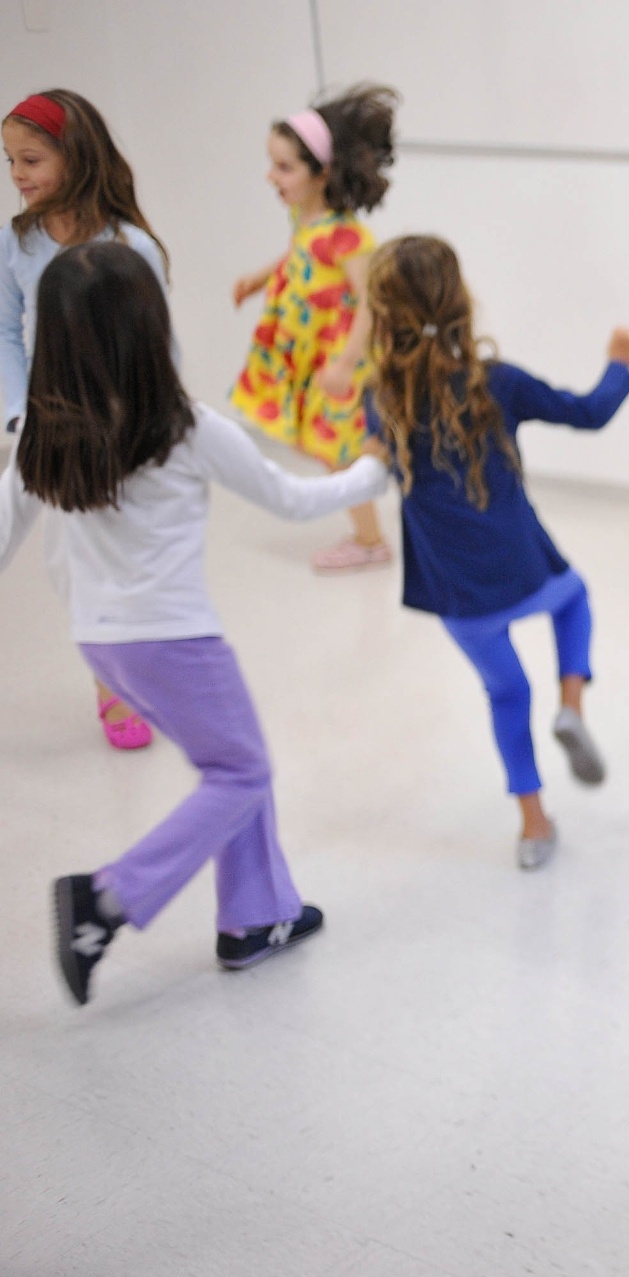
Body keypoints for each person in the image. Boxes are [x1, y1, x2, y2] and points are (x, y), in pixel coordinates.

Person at [0, 242, 390, 1005]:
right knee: (241, 771)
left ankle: (256, 916)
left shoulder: (43, 433)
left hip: (101, 644)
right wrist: (374, 469)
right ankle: (106, 899)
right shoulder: (184, 427)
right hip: (174, 641)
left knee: (232, 758)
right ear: (150, 326)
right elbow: (291, 499)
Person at [361, 235, 629, 870]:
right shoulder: (498, 384)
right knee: (574, 599)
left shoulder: (381, 400)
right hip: (522, 567)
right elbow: (590, 412)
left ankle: (533, 826)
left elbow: (374, 454)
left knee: (508, 692)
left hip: (457, 593)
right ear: (461, 303)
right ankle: (571, 707)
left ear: (382, 318)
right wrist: (619, 363)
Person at [2, 88, 167, 750]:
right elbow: (4, 331)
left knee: (95, 567)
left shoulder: (131, 246)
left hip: (114, 439)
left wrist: (144, 429)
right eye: (9, 161)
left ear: (76, 156)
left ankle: (117, 685)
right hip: (41, 430)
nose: (17, 175)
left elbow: (158, 349)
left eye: (31, 160)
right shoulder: (18, 242)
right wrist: (17, 413)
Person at [229, 83, 397, 573]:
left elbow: (371, 302)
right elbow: (300, 254)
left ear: (322, 172)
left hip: (342, 360)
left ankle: (370, 541)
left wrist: (345, 364)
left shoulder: (349, 236)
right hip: (313, 354)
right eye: (272, 164)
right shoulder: (305, 216)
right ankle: (367, 530)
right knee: (332, 447)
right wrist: (262, 277)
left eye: (284, 167)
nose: (271, 176)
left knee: (341, 449)